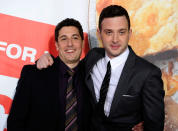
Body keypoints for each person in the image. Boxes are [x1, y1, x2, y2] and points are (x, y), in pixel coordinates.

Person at [37, 5, 165, 131]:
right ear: (99, 33)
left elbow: (154, 125)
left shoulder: (148, 73)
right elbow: (69, 66)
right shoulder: (93, 56)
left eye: (121, 32)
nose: (115, 40)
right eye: (109, 32)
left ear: (129, 33)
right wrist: (47, 57)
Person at [7, 18, 90, 131]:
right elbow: (15, 122)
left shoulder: (93, 75)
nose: (70, 44)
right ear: (56, 45)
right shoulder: (33, 74)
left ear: (82, 42)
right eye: (63, 39)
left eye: (75, 38)